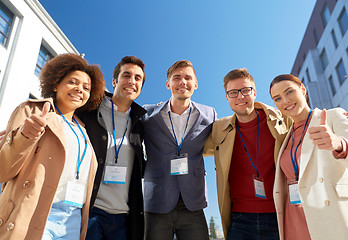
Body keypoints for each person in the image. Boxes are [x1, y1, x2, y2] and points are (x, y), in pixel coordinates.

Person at [0, 53, 105, 240]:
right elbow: (3, 170)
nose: (79, 89)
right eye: (73, 82)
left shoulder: (84, 131)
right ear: (56, 84)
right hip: (36, 212)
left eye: (86, 87)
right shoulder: (31, 110)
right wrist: (25, 135)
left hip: (72, 219)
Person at [270, 74, 348, 239]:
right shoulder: (285, 138)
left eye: (289, 92)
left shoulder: (334, 116)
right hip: (293, 216)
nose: (285, 101)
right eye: (277, 98)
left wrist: (339, 144)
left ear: (303, 89)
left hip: (330, 214)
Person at [205, 68, 291, 239]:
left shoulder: (282, 119)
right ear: (227, 97)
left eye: (245, 90)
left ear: (254, 92)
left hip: (279, 213)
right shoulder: (218, 129)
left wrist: (341, 121)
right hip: (240, 218)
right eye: (233, 93)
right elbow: (190, 146)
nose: (240, 96)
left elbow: (307, 125)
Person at [141, 60, 216, 240]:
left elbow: (218, 145)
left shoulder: (210, 114)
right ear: (168, 84)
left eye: (188, 78)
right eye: (177, 77)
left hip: (193, 202)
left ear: (195, 84)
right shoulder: (147, 114)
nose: (183, 81)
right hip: (157, 201)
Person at [78, 56, 147, 240]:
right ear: (115, 81)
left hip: (122, 219)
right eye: (127, 75)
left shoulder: (141, 124)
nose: (132, 81)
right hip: (90, 211)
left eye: (138, 78)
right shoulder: (90, 110)